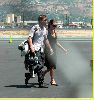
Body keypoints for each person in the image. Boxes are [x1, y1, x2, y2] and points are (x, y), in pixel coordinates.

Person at [44, 19, 68, 85]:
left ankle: (43, 73)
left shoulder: (55, 32)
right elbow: (44, 41)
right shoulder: (46, 32)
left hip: (54, 51)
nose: (55, 27)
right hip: (48, 51)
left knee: (52, 67)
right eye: (54, 25)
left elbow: (56, 42)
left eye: (56, 26)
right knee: (51, 66)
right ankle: (52, 80)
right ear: (50, 25)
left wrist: (63, 49)